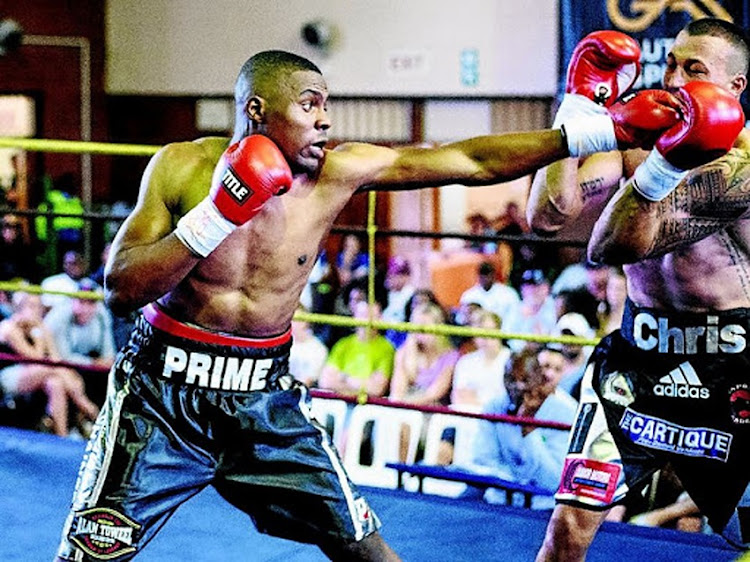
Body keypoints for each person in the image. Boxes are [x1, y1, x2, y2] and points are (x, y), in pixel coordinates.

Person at [54, 49, 682, 561]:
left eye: (327, 105)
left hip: (264, 400)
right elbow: (122, 285)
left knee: (371, 554)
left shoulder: (335, 172)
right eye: (309, 105)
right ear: (256, 109)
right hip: (160, 398)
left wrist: (604, 130)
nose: (325, 120)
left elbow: (465, 160)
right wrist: (218, 215)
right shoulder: (181, 167)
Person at [527, 21, 750, 558]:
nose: (673, 78)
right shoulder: (638, 138)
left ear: (735, 87)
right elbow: (548, 216)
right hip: (637, 363)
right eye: (670, 64)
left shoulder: (742, 163)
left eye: (693, 70)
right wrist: (574, 115)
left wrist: (656, 163)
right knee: (567, 529)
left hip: (731, 368)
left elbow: (618, 245)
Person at [461, 344, 577, 509]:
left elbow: (553, 481)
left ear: (539, 378)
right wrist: (515, 482)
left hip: (542, 503)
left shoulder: (564, 414)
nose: (517, 387)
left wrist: (529, 429)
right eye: (510, 379)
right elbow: (484, 460)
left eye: (524, 380)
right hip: (498, 494)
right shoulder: (494, 407)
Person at [0, 291, 99, 437]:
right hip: (9, 375)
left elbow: (56, 359)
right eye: (33, 306)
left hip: (39, 372)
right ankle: (85, 406)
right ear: (21, 307)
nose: (38, 311)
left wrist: (70, 374)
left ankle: (62, 436)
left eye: (39, 307)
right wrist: (38, 333)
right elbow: (36, 358)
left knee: (55, 383)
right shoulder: (9, 328)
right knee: (49, 369)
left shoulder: (40, 327)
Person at [318, 301, 394, 398]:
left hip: (368, 404)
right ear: (354, 317)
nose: (367, 320)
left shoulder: (387, 347)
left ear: (380, 318)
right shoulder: (343, 344)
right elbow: (325, 382)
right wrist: (361, 385)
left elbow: (376, 389)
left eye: (371, 315)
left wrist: (344, 377)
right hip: (338, 401)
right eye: (362, 315)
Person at [458, 260, 520, 327]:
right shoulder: (469, 296)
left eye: (488, 275)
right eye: (482, 276)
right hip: (476, 333)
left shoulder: (509, 294)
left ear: (494, 275)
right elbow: (461, 319)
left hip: (504, 333)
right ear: (478, 276)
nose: (485, 279)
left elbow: (515, 316)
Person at [289, 304, 328, 387]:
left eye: (296, 320)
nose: (292, 324)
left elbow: (308, 381)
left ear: (305, 321)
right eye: (290, 320)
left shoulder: (318, 349)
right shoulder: (281, 345)